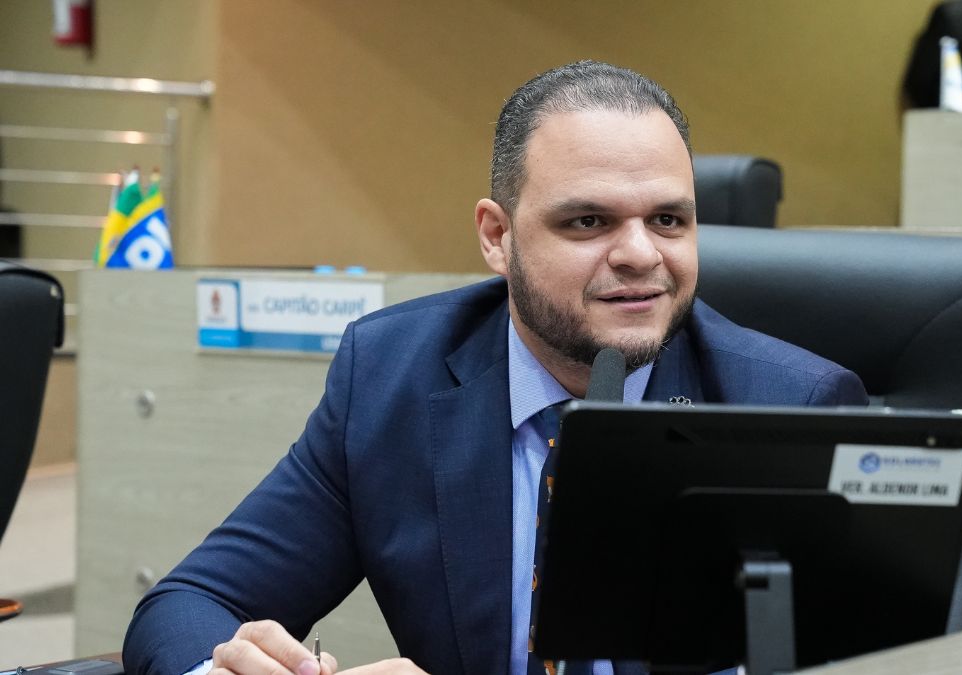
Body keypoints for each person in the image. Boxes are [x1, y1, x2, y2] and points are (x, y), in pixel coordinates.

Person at [122, 60, 868, 675]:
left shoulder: (795, 409)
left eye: (668, 219)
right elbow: (188, 604)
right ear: (496, 237)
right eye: (588, 221)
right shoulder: (389, 377)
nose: (641, 254)